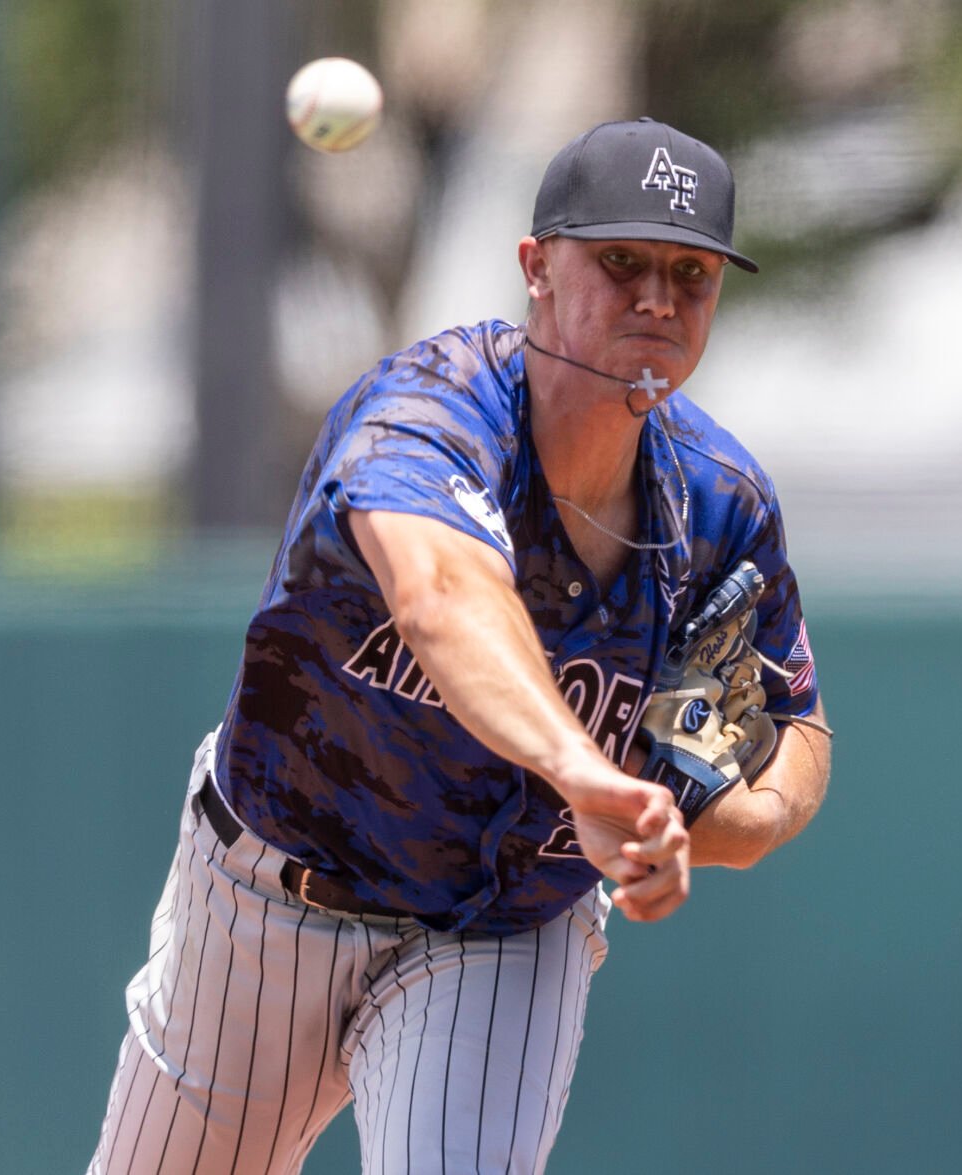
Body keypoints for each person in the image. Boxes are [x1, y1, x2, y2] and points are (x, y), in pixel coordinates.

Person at [88, 117, 832, 1175]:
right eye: (620, 262)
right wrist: (579, 768)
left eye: (690, 272)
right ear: (535, 266)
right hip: (271, 892)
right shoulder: (428, 411)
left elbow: (792, 727)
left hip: (500, 928)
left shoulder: (715, 505)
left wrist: (726, 824)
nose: (657, 298)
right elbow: (441, 595)